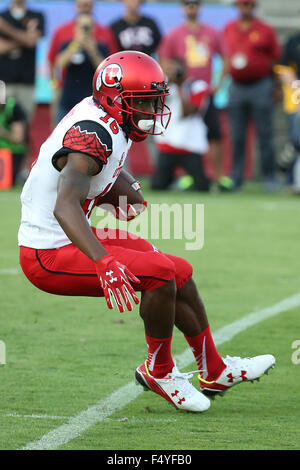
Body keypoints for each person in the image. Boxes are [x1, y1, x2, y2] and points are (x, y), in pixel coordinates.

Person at [18, 51, 275, 413]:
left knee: (179, 271)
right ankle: (160, 370)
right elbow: (64, 204)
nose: (153, 109)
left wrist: (115, 187)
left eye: (155, 100)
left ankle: (214, 370)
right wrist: (104, 261)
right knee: (159, 274)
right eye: (143, 102)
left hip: (72, 232)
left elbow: (93, 177)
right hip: (46, 251)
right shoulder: (93, 134)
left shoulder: (111, 120)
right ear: (114, 97)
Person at [158, 0, 229, 190]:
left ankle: (218, 176)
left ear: (200, 7)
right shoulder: (174, 34)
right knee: (180, 130)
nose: (191, 7)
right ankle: (187, 175)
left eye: (195, 3)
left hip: (203, 91)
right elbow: (164, 61)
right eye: (188, 3)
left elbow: (225, 57)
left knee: (214, 134)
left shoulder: (212, 32)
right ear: (183, 7)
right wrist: (172, 82)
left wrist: (218, 84)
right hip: (181, 92)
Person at [223, 0, 282, 191]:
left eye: (248, 5)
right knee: (237, 135)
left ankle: (269, 177)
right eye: (242, 5)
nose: (245, 8)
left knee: (265, 134)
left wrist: (276, 87)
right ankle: (237, 178)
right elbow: (225, 57)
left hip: (261, 85)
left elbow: (275, 59)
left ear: (253, 7)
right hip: (237, 86)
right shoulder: (229, 28)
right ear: (237, 7)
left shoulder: (265, 29)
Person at [47, 0, 118, 124]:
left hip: (95, 97)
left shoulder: (104, 37)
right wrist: (76, 44)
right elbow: (56, 61)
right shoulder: (63, 34)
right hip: (66, 92)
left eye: (88, 5)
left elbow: (110, 67)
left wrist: (92, 50)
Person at [151, 57, 211, 191]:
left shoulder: (197, 86)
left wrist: (179, 86)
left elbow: (188, 112)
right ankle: (172, 180)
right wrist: (167, 84)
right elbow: (156, 105)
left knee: (202, 187)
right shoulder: (163, 86)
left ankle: (184, 181)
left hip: (190, 144)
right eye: (169, 69)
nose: (172, 72)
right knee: (158, 185)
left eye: (175, 69)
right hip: (167, 143)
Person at [0, 0, 44, 122]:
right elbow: (2, 48)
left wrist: (6, 29)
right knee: (3, 122)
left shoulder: (36, 15)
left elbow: (33, 41)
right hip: (4, 82)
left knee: (25, 125)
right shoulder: (3, 15)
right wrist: (25, 38)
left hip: (27, 82)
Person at [0, 95, 27, 185]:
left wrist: (2, 132)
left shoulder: (12, 108)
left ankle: (21, 174)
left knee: (8, 182)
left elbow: (18, 138)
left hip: (11, 153)